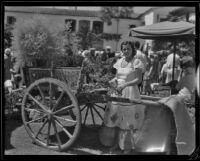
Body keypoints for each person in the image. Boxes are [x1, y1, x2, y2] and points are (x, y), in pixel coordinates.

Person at [99, 41, 145, 154]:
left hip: (130, 92)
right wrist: (112, 81)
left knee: (128, 120)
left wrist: (125, 84)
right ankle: (116, 143)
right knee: (116, 118)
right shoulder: (119, 62)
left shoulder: (137, 62)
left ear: (132, 50)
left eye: (128, 49)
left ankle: (127, 146)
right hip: (117, 92)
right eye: (124, 49)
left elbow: (138, 80)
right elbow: (117, 76)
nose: (126, 51)